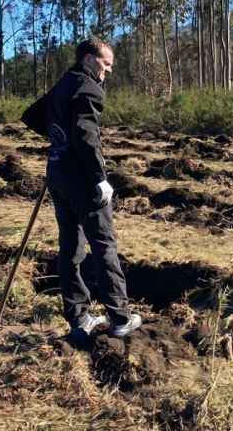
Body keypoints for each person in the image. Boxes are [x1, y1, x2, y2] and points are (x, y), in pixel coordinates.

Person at [39, 37, 140, 339]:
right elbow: (86, 135)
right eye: (105, 64)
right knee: (104, 245)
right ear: (88, 59)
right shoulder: (87, 86)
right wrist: (99, 178)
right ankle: (120, 318)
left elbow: (37, 116)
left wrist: (59, 145)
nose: (107, 72)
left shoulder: (62, 84)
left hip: (57, 174)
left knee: (70, 247)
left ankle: (79, 318)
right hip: (83, 181)